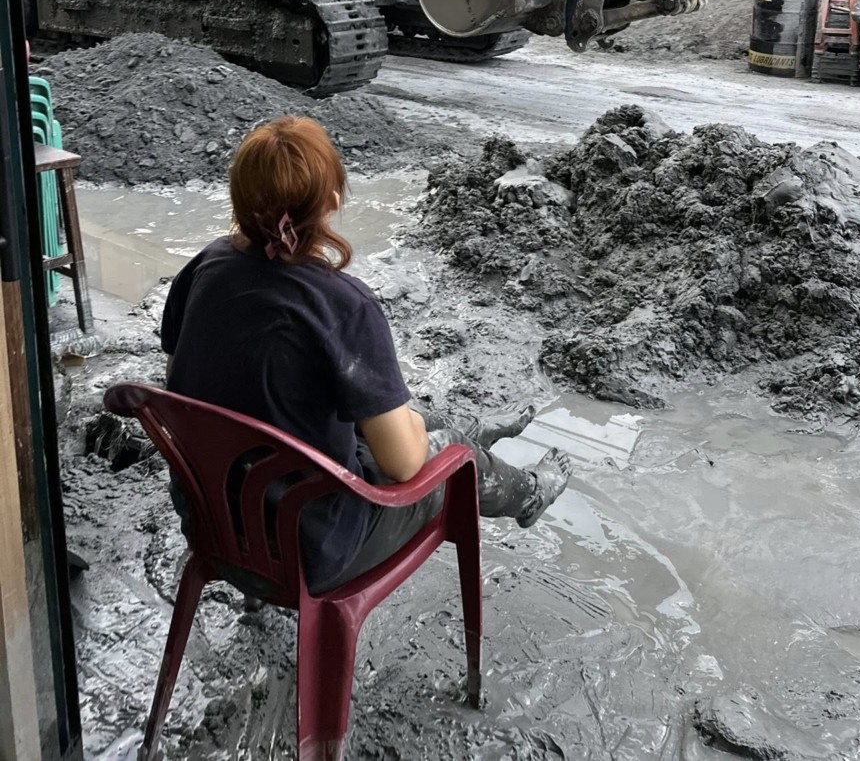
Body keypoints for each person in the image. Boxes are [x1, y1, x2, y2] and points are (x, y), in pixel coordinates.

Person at [160, 116, 571, 595]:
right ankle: (527, 493)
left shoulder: (206, 266)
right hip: (312, 551)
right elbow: (403, 466)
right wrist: (419, 436)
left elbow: (181, 377)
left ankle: (471, 425)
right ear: (332, 202)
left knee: (383, 414)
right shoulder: (344, 305)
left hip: (210, 522)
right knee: (452, 454)